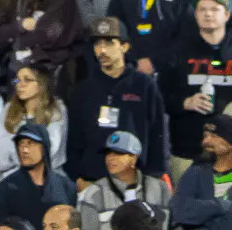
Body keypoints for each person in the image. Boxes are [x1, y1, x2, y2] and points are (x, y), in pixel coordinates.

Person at [162, 0, 232, 167]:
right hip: (189, 152)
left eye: (214, 9)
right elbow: (160, 97)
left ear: (226, 15)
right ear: (195, 15)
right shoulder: (178, 52)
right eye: (202, 9)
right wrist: (185, 103)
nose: (208, 14)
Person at [67, 18, 170, 185]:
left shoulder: (144, 86)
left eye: (109, 43)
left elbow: (157, 135)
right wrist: (77, 178)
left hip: (135, 182)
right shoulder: (83, 90)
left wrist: (154, 177)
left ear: (124, 46)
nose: (102, 50)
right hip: (92, 182)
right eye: (97, 44)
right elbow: (74, 141)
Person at [167, 113, 232, 230]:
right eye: (205, 136)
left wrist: (202, 213)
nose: (205, 141)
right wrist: (220, 206)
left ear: (230, 143)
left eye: (213, 136)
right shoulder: (195, 172)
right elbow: (178, 211)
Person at [79, 131, 171, 230]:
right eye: (108, 153)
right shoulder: (94, 193)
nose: (111, 158)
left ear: (134, 158)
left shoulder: (160, 188)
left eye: (118, 153)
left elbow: (172, 225)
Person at [0, 121, 76, 229]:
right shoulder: (5, 189)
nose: (24, 150)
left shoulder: (66, 186)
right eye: (20, 144)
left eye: (30, 143)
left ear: (44, 147)